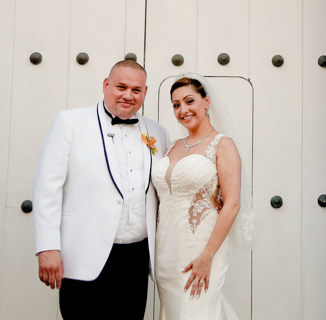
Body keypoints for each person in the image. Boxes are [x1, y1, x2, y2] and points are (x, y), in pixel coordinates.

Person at [33, 60, 170, 319]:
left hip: (137, 259)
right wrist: (47, 247)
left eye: (136, 90)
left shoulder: (158, 132)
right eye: (121, 86)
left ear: (145, 93)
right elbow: (46, 189)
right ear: (106, 85)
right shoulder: (69, 123)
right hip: (84, 254)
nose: (128, 95)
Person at [151, 74, 254, 320]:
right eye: (176, 105)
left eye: (189, 101)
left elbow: (232, 204)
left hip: (200, 250)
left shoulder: (223, 145)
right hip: (165, 251)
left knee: (197, 312)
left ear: (206, 101)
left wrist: (207, 256)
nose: (183, 110)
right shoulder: (171, 146)